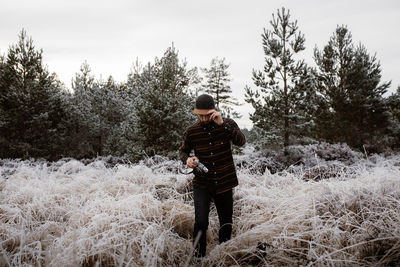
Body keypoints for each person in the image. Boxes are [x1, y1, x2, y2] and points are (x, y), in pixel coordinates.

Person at [179, 94, 246, 258]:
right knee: (200, 222)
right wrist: (187, 159)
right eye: (200, 115)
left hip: (225, 182)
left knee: (226, 223)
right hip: (202, 183)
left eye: (206, 115)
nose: (203, 119)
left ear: (213, 111)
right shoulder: (192, 131)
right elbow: (182, 151)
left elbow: (241, 141)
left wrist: (222, 124)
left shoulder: (227, 124)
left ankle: (222, 256)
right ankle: (197, 258)